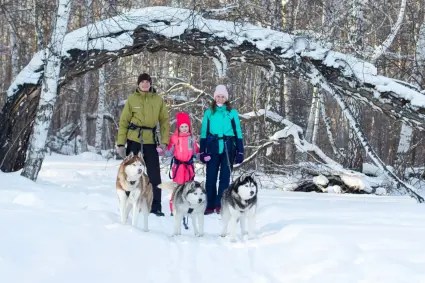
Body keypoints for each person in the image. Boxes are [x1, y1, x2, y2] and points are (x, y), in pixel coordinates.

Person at [116, 73, 170, 217]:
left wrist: (164, 142)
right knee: (130, 174)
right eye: (142, 82)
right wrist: (121, 143)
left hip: (151, 141)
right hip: (134, 139)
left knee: (154, 174)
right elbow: (124, 122)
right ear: (138, 84)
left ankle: (155, 206)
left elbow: (164, 121)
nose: (145, 84)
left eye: (147, 82)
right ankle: (127, 204)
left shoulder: (158, 100)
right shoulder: (132, 99)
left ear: (150, 84)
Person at [199, 85, 244, 215]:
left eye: (222, 96)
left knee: (224, 178)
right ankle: (210, 204)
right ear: (214, 97)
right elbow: (204, 132)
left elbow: (238, 132)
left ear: (226, 98)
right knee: (211, 177)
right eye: (218, 96)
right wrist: (203, 151)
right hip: (212, 146)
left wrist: (240, 150)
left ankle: (221, 203)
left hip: (228, 146)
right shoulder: (209, 113)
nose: (220, 98)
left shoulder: (232, 113)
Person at [165, 112, 200, 215]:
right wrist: (162, 150)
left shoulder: (192, 139)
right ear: (178, 128)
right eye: (182, 126)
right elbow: (169, 152)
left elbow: (195, 152)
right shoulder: (175, 138)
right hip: (178, 167)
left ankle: (188, 207)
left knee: (189, 187)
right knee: (177, 187)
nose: (184, 128)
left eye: (186, 126)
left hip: (189, 167)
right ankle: (174, 208)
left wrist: (202, 156)